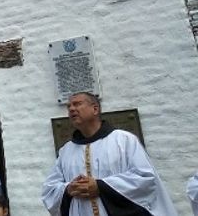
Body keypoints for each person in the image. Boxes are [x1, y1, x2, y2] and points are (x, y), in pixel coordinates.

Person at [41, 92, 176, 215]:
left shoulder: (124, 140)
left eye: (77, 104)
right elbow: (50, 190)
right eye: (69, 106)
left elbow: (145, 178)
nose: (71, 109)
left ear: (95, 109)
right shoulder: (66, 151)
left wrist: (101, 187)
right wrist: (68, 189)